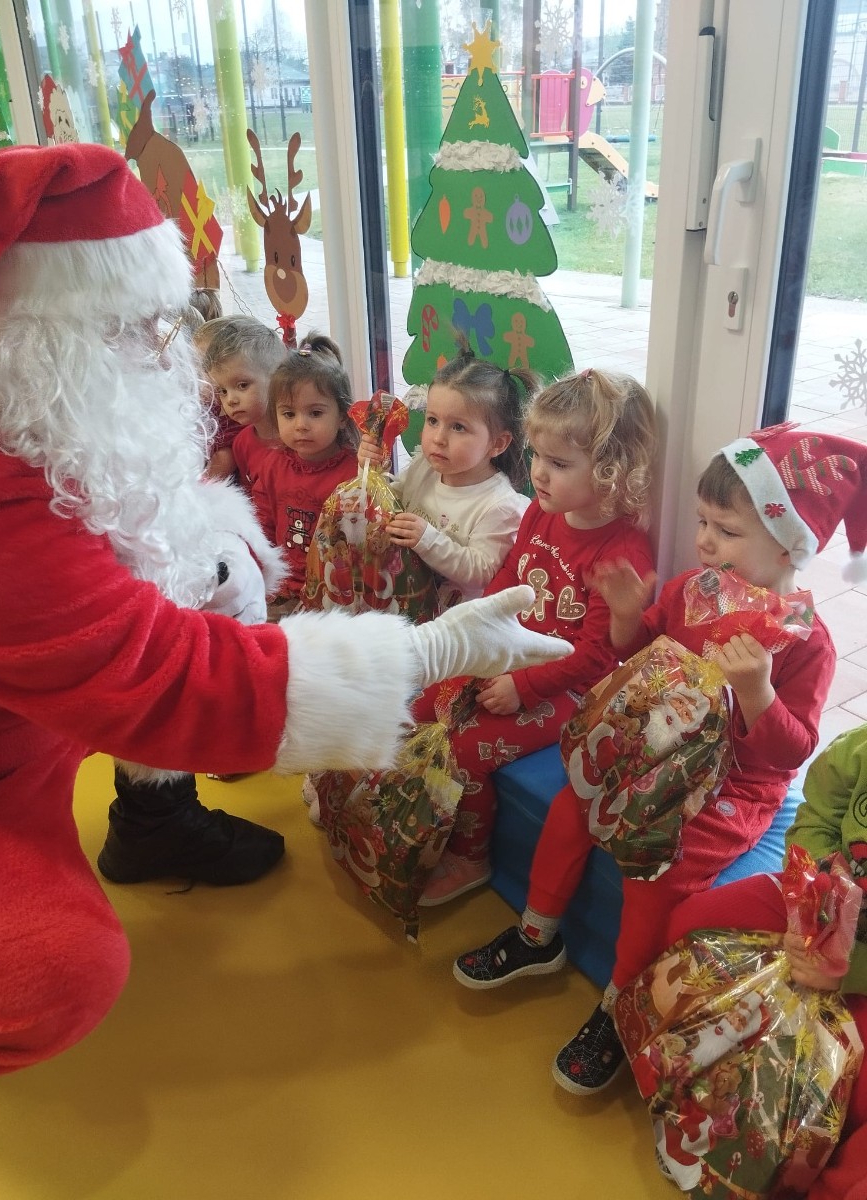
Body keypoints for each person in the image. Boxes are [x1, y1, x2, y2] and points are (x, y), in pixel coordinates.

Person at [0, 142, 570, 1079]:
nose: (163, 355)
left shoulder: (30, 423)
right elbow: (162, 673)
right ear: (43, 340)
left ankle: (152, 819)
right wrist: (430, 652)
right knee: (49, 969)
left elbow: (144, 578)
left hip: (17, 737)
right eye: (135, 330)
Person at [453, 422, 867, 1096]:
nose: (704, 541)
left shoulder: (804, 640)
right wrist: (626, 615)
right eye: (703, 522)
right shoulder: (691, 591)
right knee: (575, 805)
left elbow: (792, 750)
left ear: (788, 543)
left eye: (727, 531)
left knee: (658, 864)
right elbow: (632, 651)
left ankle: (620, 1003)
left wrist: (758, 691)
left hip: (736, 784)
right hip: (653, 751)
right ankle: (538, 935)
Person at [413, 368, 658, 905]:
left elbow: (595, 658)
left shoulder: (622, 554)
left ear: (612, 471)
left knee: (467, 749)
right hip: (509, 654)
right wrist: (478, 630)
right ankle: (416, 821)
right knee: (424, 704)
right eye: (538, 456)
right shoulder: (540, 513)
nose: (539, 473)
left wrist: (523, 687)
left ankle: (470, 858)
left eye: (560, 463)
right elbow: (509, 576)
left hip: (567, 690)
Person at [663, 724, 867, 1200]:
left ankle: (763, 1151)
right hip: (820, 903)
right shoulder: (859, 748)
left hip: (857, 963)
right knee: (692, 924)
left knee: (846, 1084)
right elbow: (819, 813)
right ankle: (688, 1088)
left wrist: (848, 969)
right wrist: (813, 899)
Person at [358, 353, 536, 609]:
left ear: (498, 443)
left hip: (453, 624)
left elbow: (482, 572)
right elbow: (391, 504)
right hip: (404, 606)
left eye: (458, 427)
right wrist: (370, 471)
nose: (438, 438)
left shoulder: (502, 506)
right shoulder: (425, 467)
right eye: (432, 420)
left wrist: (427, 540)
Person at [253, 335, 360, 617]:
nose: (301, 425)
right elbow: (262, 524)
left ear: (342, 416)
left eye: (315, 413)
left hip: (335, 592)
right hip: (283, 587)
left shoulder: (354, 472)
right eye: (289, 414)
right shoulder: (272, 465)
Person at [202, 315, 287, 490]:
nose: (231, 400)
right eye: (223, 391)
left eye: (242, 385)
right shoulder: (242, 443)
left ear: (276, 377)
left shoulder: (297, 436)